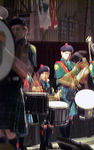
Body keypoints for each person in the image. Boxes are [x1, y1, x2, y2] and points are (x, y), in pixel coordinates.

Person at [0, 17, 37, 150]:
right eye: (12, 29)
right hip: (1, 89)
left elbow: (26, 72)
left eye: (17, 29)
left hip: (13, 90)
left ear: (25, 30)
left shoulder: (28, 48)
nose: (14, 32)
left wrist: (5, 50)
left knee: (10, 133)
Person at [54, 43, 89, 140]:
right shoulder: (58, 65)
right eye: (65, 53)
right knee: (64, 117)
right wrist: (72, 78)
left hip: (72, 92)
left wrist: (84, 70)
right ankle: (64, 139)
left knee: (70, 117)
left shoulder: (73, 64)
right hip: (64, 92)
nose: (68, 55)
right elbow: (60, 79)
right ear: (61, 53)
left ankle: (68, 138)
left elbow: (79, 78)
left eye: (69, 53)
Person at [37, 65, 55, 150]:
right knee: (43, 125)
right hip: (41, 107)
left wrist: (56, 95)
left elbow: (52, 93)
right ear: (40, 74)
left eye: (47, 73)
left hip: (49, 106)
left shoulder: (49, 83)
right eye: (43, 73)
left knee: (50, 125)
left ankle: (48, 142)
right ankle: (42, 144)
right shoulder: (37, 83)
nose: (45, 75)